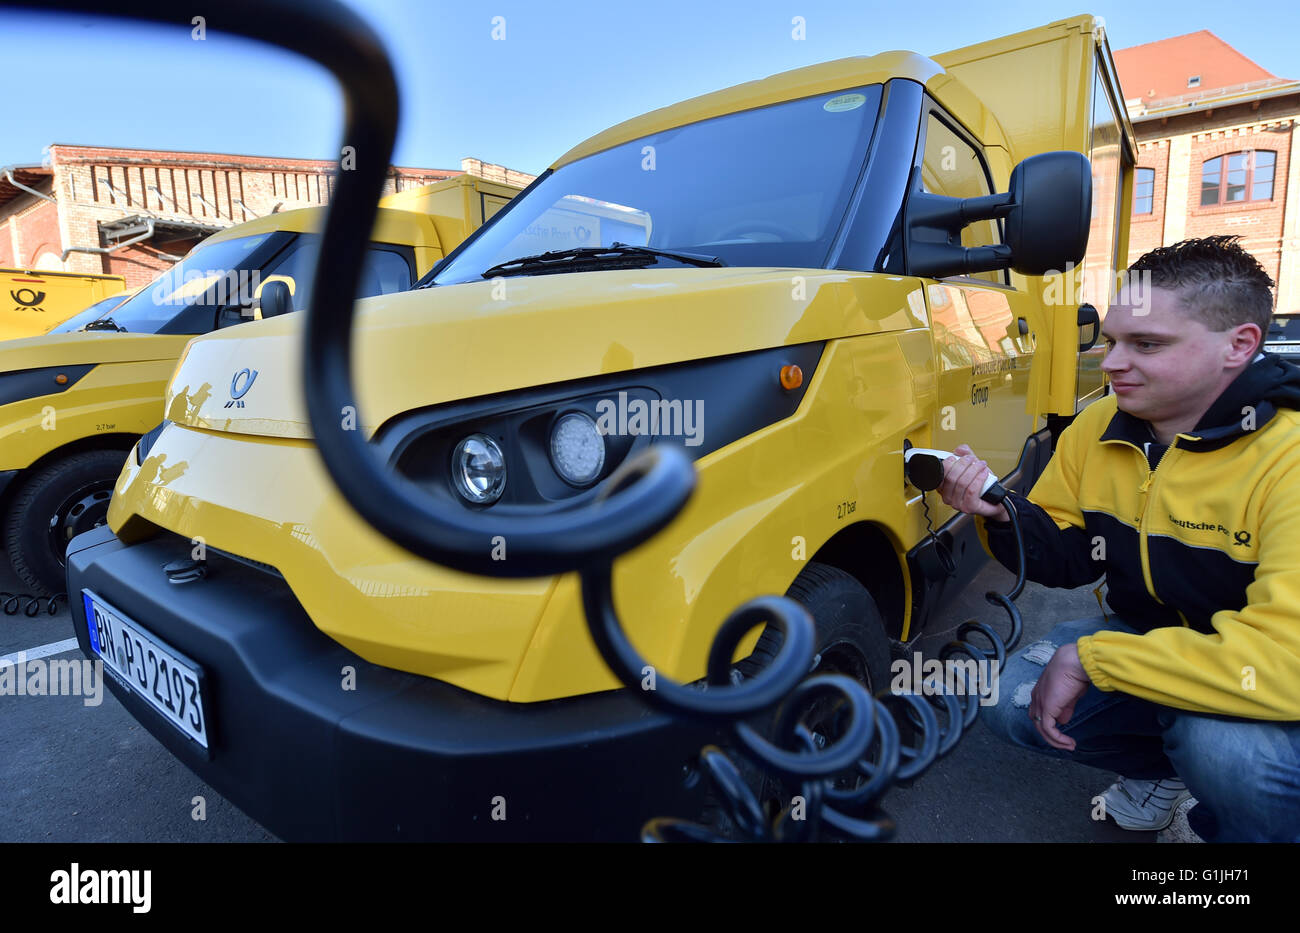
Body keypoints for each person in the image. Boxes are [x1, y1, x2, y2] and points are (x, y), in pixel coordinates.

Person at [938, 235, 1300, 843]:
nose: (1110, 363)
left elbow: (1286, 664)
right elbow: (1070, 553)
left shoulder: (1287, 456)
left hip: (1263, 672)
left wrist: (1091, 658)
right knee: (1008, 699)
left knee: (1222, 747)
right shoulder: (1098, 425)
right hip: (1155, 636)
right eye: (1111, 341)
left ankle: (1225, 825)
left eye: (1147, 344)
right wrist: (1000, 514)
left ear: (1240, 345)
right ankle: (1163, 773)